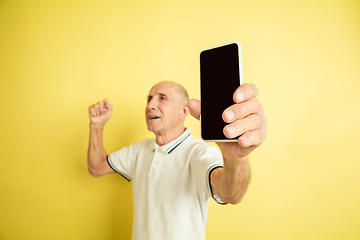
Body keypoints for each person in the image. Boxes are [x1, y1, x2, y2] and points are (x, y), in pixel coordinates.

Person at [87, 81, 267, 240]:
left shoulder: (199, 152)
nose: (150, 105)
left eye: (162, 98)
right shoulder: (138, 150)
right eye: (149, 99)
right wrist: (96, 125)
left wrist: (235, 161)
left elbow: (231, 195)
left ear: (184, 111)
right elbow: (97, 167)